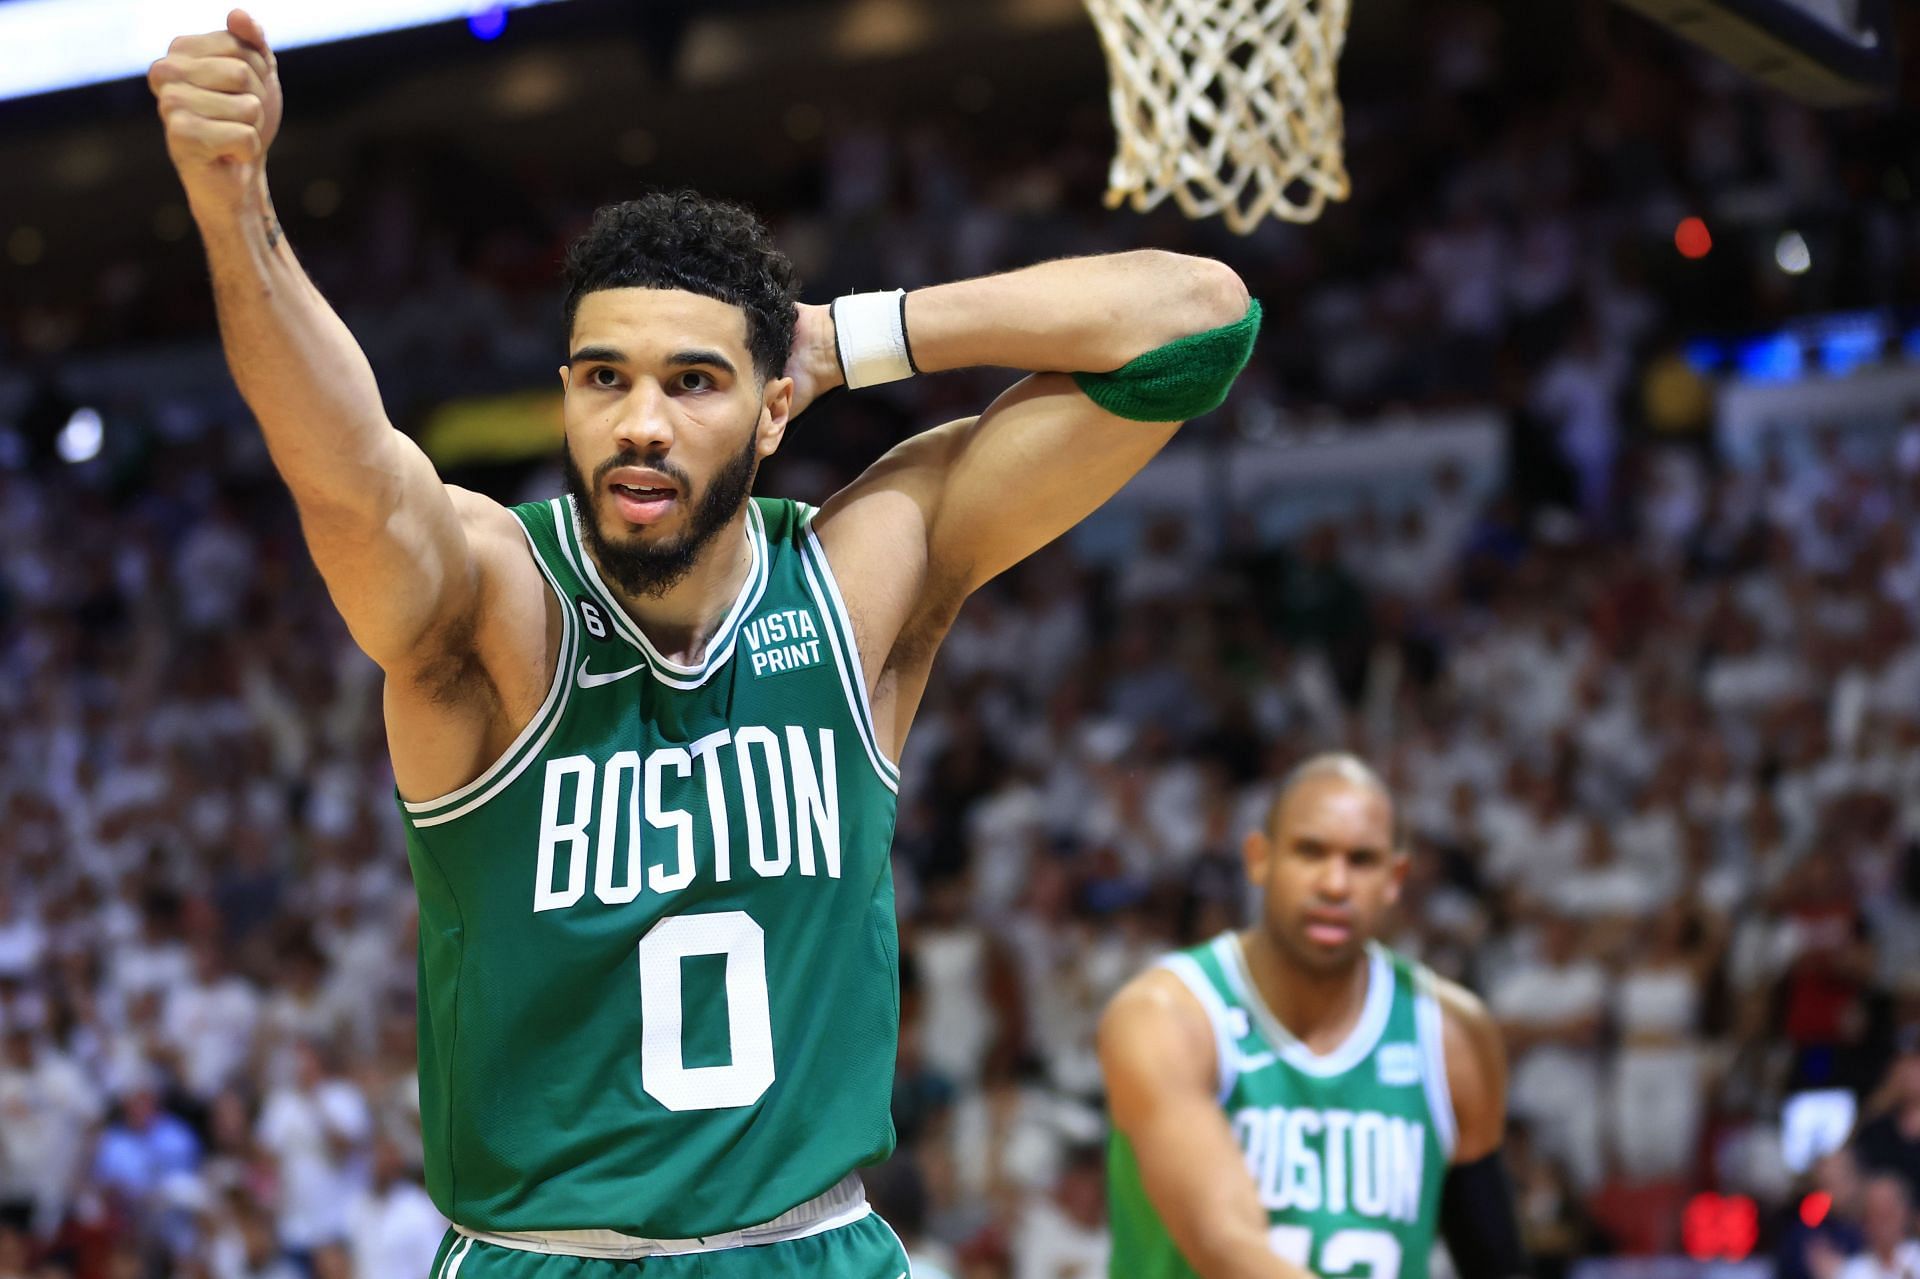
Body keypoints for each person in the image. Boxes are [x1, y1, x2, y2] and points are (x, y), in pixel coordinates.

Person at [148, 10, 1258, 1278]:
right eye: (602, 378)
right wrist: (239, 214)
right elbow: (348, 471)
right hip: (542, 1251)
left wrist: (846, 336)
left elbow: (1195, 324)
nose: (640, 423)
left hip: (811, 1245)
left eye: (692, 381)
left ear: (774, 402)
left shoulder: (855, 585)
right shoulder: (497, 607)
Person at [1099, 753, 1525, 1279]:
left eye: (1362, 860)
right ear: (1258, 858)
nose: (1334, 885)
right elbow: (1226, 1247)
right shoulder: (1166, 1015)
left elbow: (1496, 1264)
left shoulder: (1453, 1035)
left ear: (1396, 878)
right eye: (1310, 852)